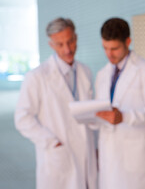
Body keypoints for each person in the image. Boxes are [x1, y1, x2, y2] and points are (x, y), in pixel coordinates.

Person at [15, 17, 97, 189]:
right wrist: (51, 142)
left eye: (70, 42)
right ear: (51, 45)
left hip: (86, 154)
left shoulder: (85, 71)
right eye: (60, 45)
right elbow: (22, 118)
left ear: (76, 38)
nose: (67, 49)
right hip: (59, 156)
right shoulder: (37, 77)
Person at [95, 17, 145, 189]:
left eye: (114, 48)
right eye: (105, 48)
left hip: (137, 158)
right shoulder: (102, 74)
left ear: (128, 42)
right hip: (108, 153)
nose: (109, 54)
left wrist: (125, 117)